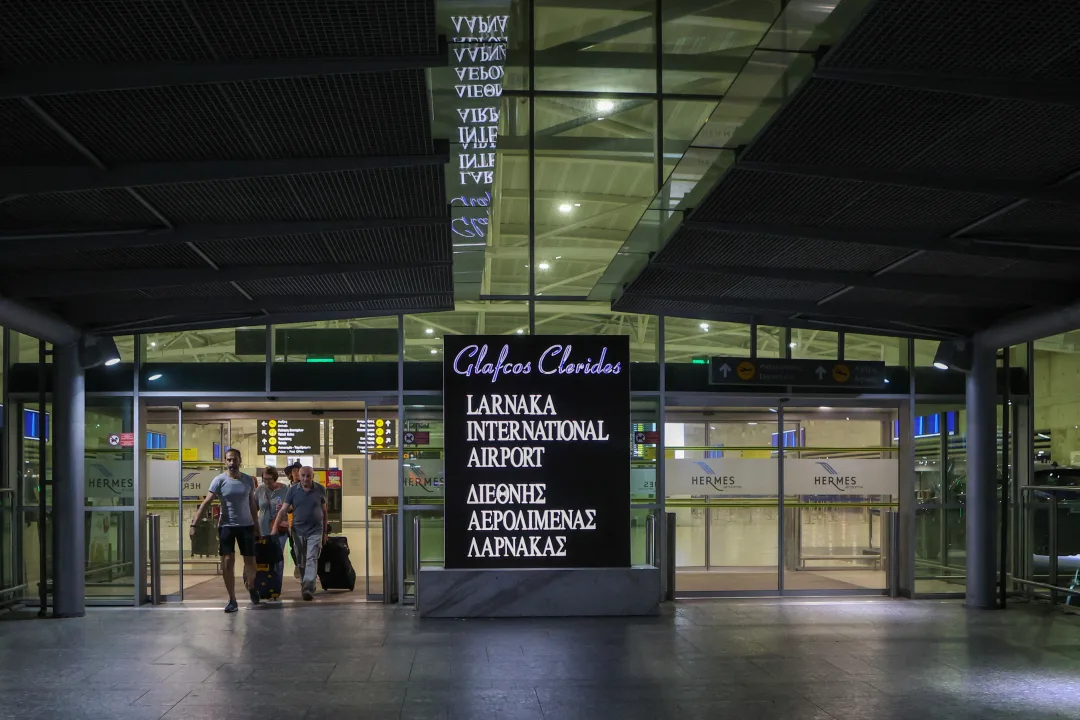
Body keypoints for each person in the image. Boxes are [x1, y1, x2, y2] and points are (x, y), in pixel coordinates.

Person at [189, 448, 261, 613]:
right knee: (227, 562)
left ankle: (251, 586)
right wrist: (194, 524)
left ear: (240, 460)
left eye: (234, 459)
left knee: (251, 563)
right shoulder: (219, 480)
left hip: (246, 526)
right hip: (226, 526)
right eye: (228, 460)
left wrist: (257, 526)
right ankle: (232, 599)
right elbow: (206, 503)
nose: (231, 463)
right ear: (225, 461)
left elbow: (251, 504)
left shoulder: (248, 480)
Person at [273, 465, 327, 601]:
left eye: (308, 476)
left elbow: (324, 511)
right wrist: (274, 528)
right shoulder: (292, 490)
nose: (305, 479)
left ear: (312, 476)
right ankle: (305, 584)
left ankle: (308, 586)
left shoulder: (320, 489)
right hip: (298, 531)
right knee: (301, 560)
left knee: (311, 558)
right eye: (303, 476)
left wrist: (325, 531)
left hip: (315, 530)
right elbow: (284, 509)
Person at [254, 466, 289, 579]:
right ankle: (265, 581)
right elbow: (254, 508)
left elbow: (292, 507)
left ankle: (277, 582)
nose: (266, 482)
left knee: (277, 556)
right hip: (263, 529)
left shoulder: (285, 489)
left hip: (279, 529)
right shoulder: (260, 490)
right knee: (264, 557)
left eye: (269, 479)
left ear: (275, 478)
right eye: (264, 479)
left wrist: (285, 508)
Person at [285, 461, 302, 578]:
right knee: (293, 546)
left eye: (298, 471)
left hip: (305, 522)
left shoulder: (306, 486)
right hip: (291, 523)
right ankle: (298, 565)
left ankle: (305, 567)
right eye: (294, 471)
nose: (296, 473)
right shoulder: (288, 488)